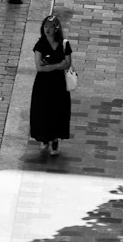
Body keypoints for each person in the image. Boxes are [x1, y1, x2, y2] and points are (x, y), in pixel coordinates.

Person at [30, 13, 73, 157]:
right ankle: (45, 138)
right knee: (43, 111)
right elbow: (40, 67)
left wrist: (50, 66)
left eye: (50, 27)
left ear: (57, 29)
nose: (47, 30)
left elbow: (67, 64)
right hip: (43, 85)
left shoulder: (64, 43)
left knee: (58, 111)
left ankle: (55, 140)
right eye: (45, 27)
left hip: (59, 84)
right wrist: (57, 65)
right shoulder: (40, 44)